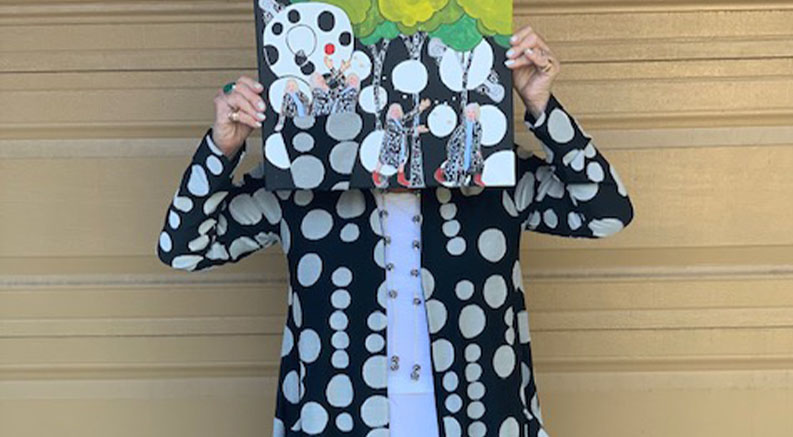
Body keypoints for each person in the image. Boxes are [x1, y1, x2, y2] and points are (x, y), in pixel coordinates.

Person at [156, 24, 634, 437]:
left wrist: (542, 106)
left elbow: (606, 210)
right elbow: (184, 247)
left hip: (481, 418)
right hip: (339, 419)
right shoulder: (300, 184)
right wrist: (222, 149)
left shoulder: (493, 176)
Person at [372, 100, 432, 188]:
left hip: (399, 147)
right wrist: (416, 129)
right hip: (389, 147)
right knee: (383, 159)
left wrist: (420, 108)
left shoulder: (400, 121)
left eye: (397, 110)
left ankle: (400, 176)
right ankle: (376, 173)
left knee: (402, 159)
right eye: (393, 110)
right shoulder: (390, 123)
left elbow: (409, 116)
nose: (395, 112)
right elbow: (402, 131)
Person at [434, 103, 485, 187]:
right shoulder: (462, 127)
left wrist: (476, 150)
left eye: (473, 112)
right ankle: (446, 175)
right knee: (457, 166)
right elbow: (453, 141)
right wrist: (456, 150)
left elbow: (477, 140)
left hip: (471, 150)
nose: (470, 114)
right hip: (459, 150)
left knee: (478, 163)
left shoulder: (478, 126)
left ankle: (476, 177)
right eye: (468, 112)